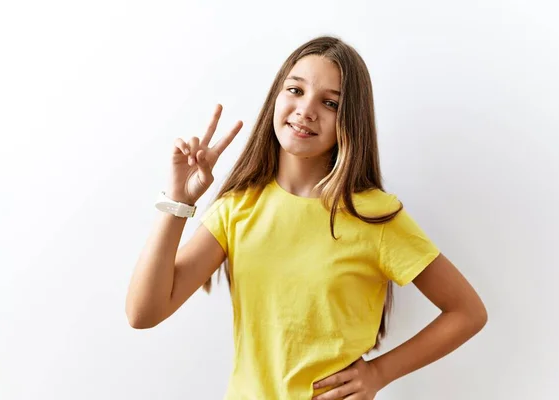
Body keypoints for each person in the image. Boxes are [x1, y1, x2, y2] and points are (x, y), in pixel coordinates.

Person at [125, 35, 488, 400]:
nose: (306, 110)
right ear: (276, 99)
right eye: (295, 90)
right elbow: (143, 313)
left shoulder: (375, 216)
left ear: (350, 120)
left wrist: (379, 372)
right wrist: (178, 201)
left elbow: (467, 312)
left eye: (330, 102)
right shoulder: (238, 210)